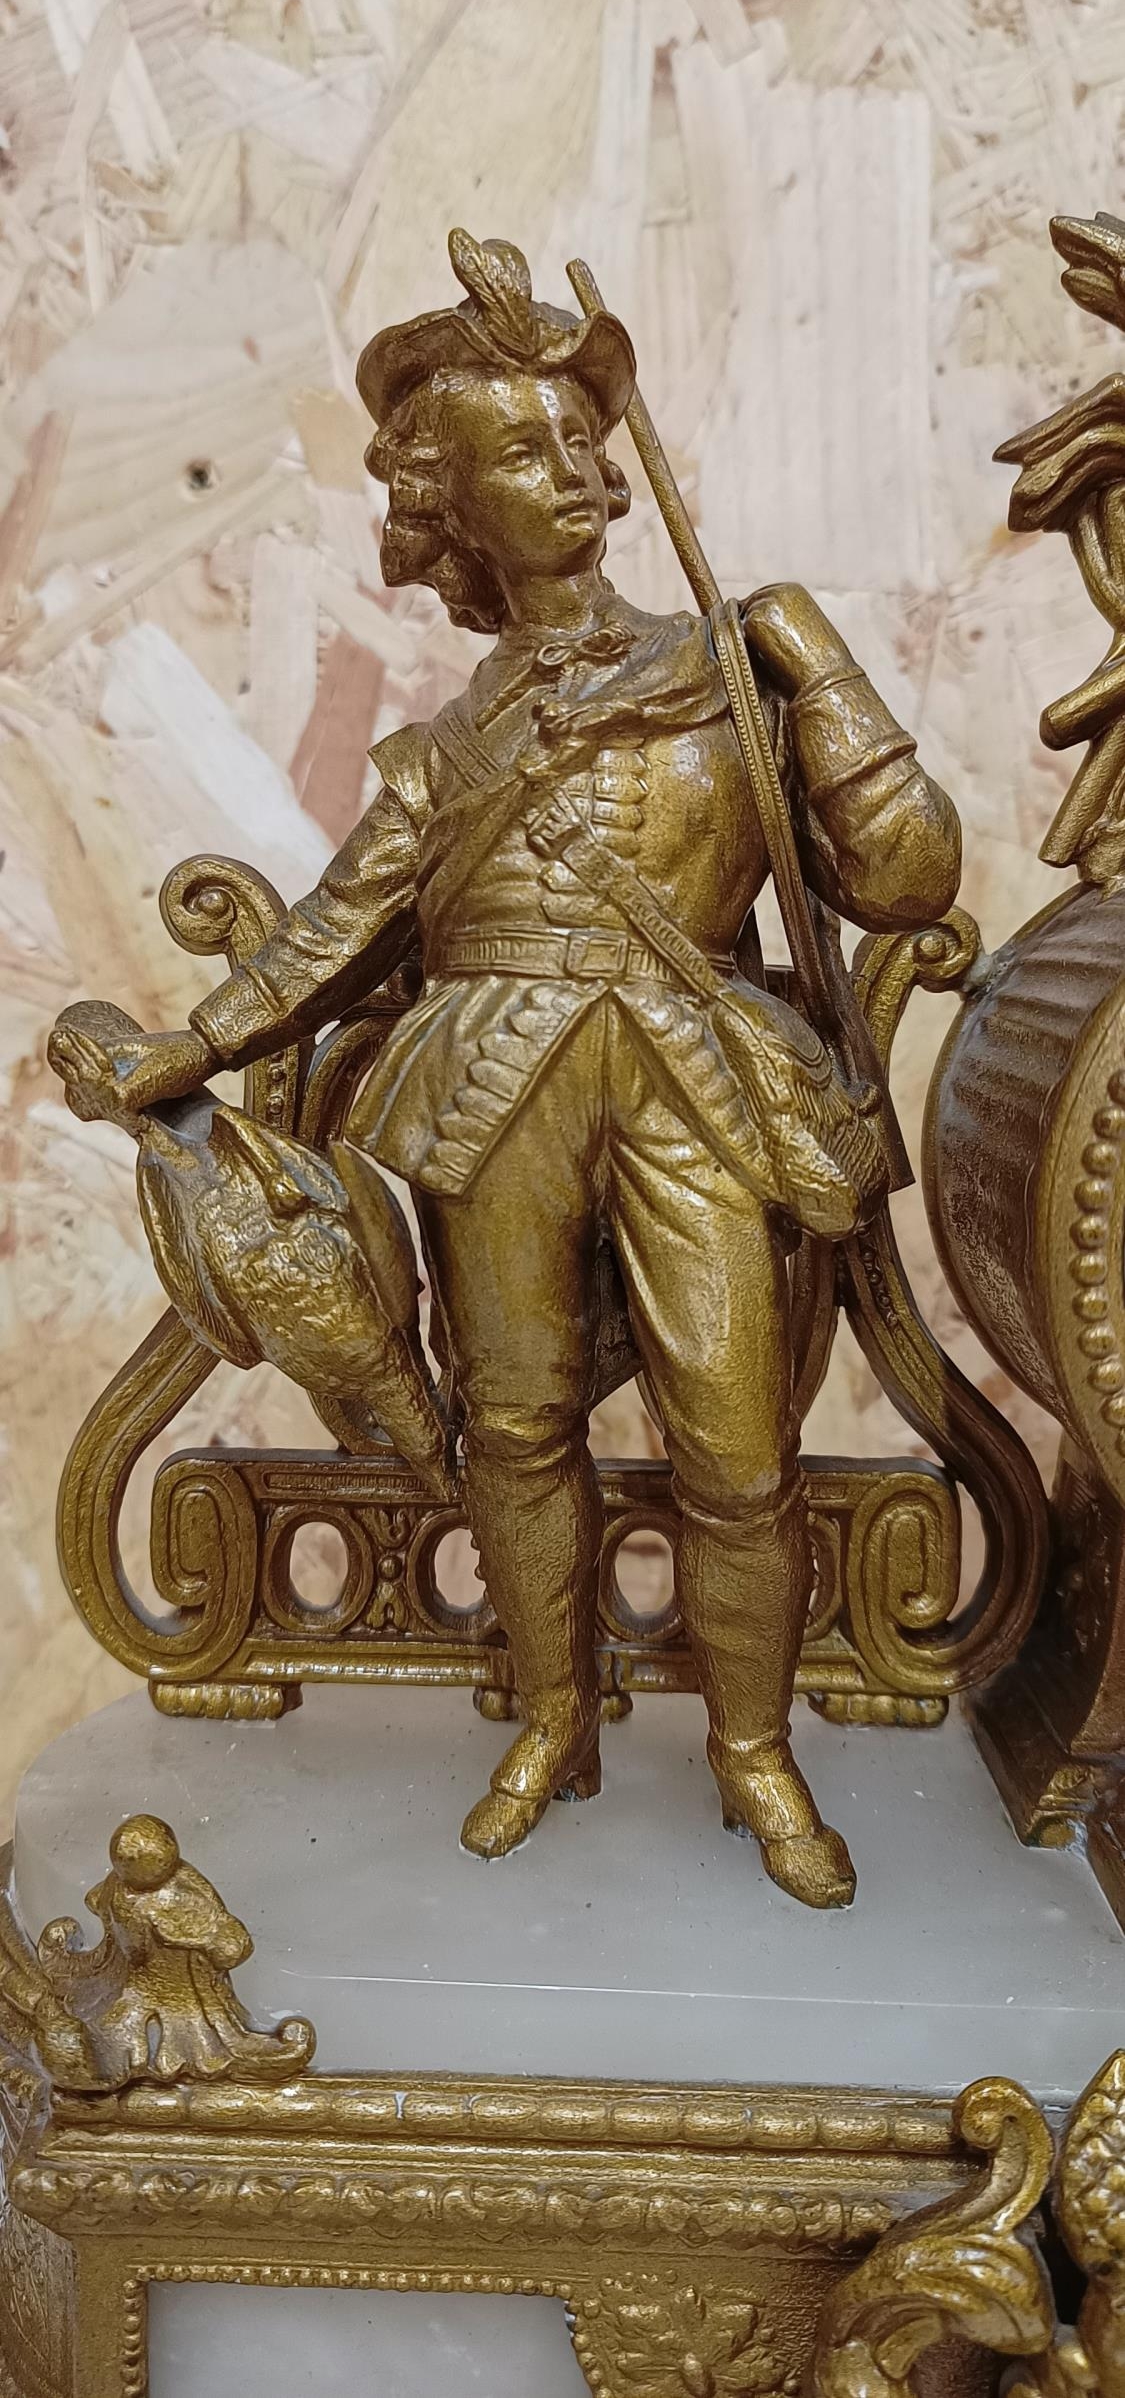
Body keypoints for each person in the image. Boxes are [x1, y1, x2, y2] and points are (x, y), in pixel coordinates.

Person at [74, 230, 960, 1907]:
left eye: (578, 439)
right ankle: (553, 1717)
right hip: (492, 1095)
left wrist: (815, 665)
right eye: (519, 452)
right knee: (515, 1422)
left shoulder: (733, 665)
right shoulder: (440, 755)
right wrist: (186, 1046)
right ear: (453, 507)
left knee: (737, 1448)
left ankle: (754, 1750)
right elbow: (329, 940)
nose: (568, 471)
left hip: (699, 1081)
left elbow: (909, 882)